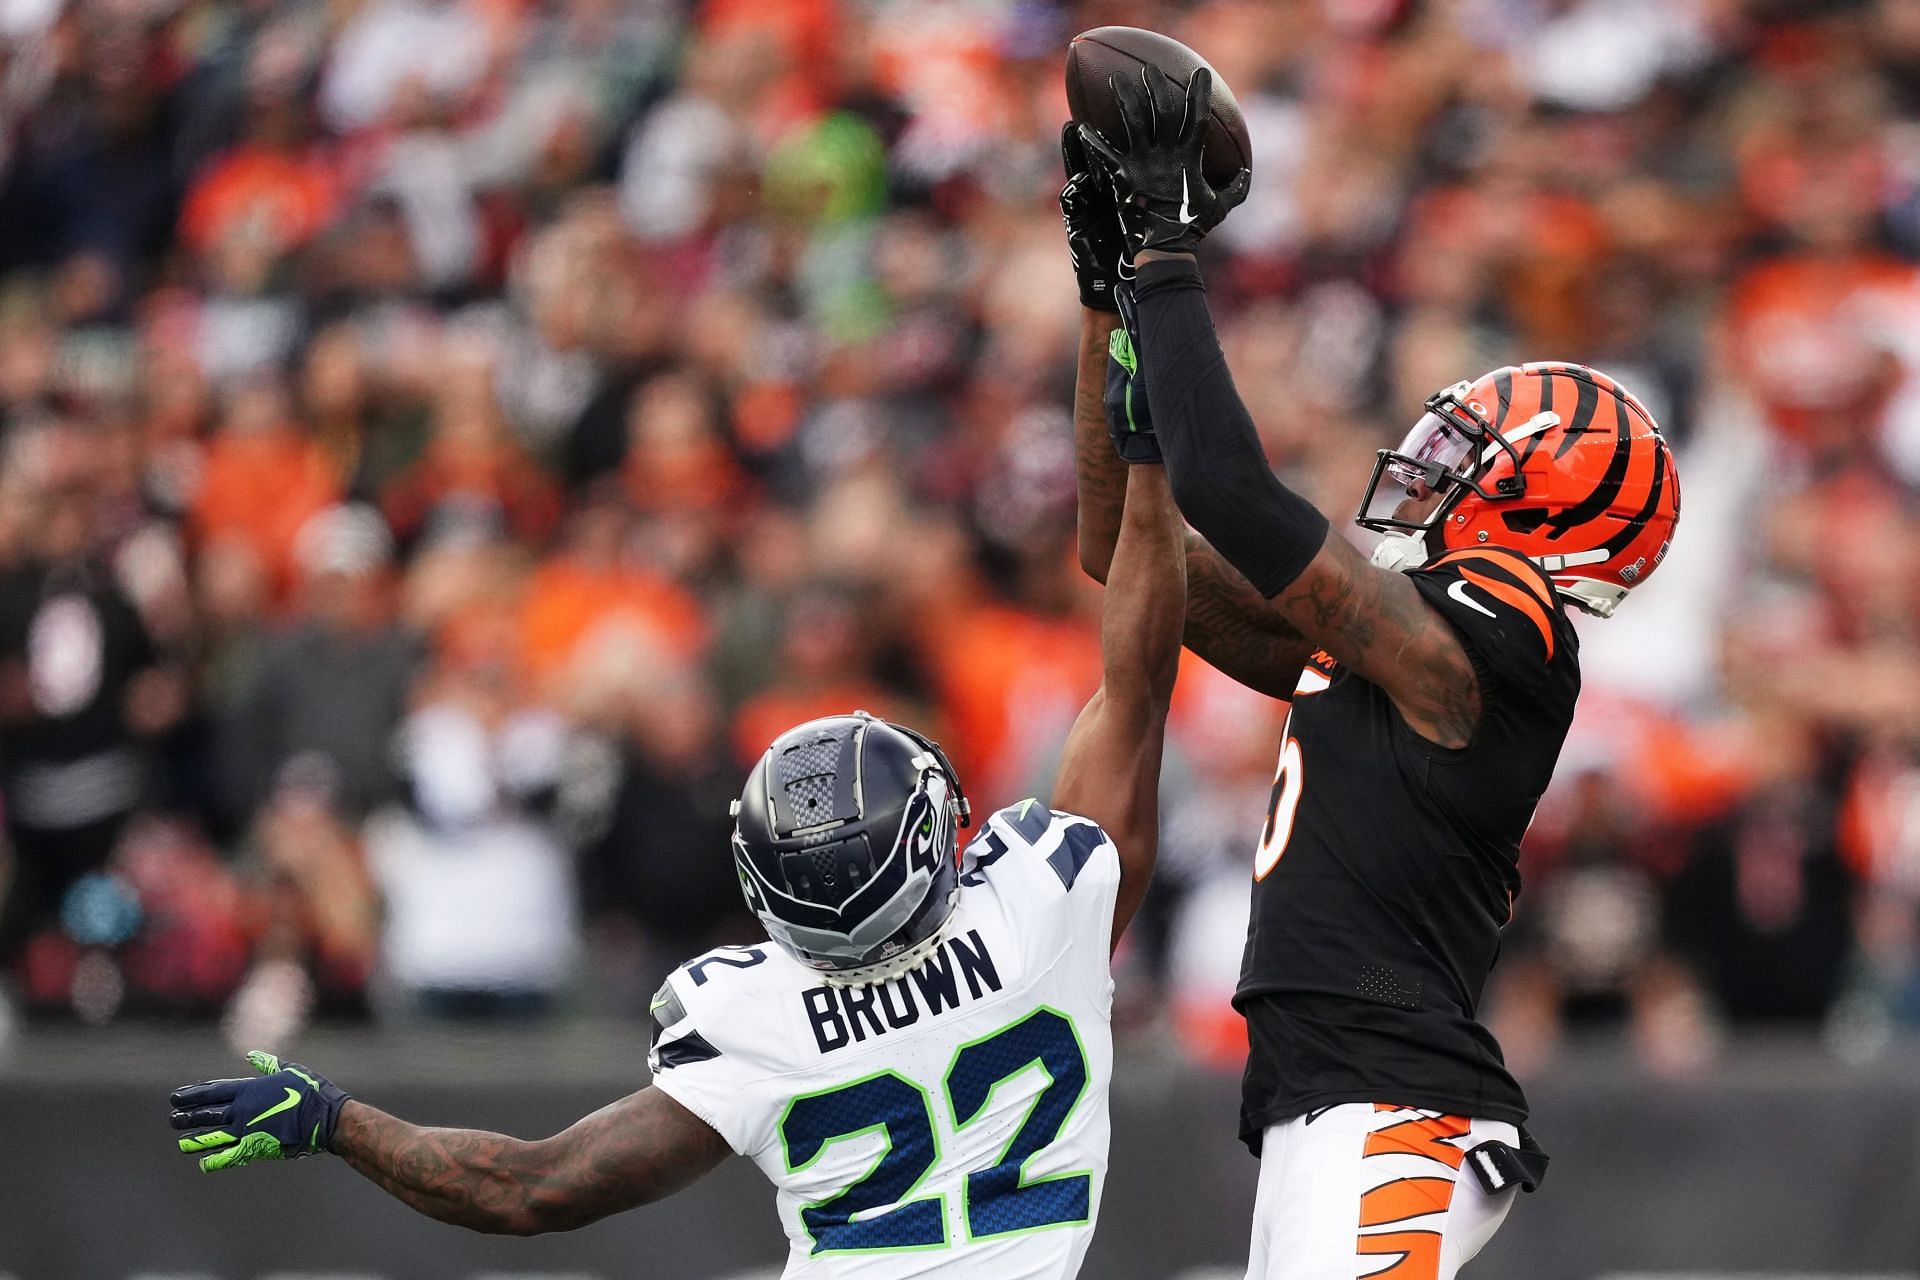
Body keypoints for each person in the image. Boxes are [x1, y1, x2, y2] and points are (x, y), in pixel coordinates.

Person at [165, 449, 1190, 1278]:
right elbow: (1135, 678)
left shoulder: (762, 1018)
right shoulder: (1041, 911)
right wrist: (1142, 457)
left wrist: (339, 1121)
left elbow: (531, 1186)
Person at [1064, 65, 1682, 1279]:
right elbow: (1118, 549)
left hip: (1398, 1106)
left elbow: (1232, 493)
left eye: (1471, 455)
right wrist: (1105, 303)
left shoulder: (1503, 639)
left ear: (1543, 511)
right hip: (1326, 1094)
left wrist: (1168, 252)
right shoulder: (1403, 654)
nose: (1429, 463)